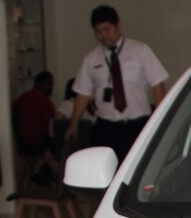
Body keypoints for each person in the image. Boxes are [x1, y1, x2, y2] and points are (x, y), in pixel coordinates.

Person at [65, 5, 168, 162]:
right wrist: (74, 124)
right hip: (106, 126)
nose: (103, 35)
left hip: (137, 126)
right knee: (104, 174)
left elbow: (158, 85)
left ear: (118, 25)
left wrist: (160, 118)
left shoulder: (140, 51)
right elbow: (82, 93)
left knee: (137, 171)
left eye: (107, 29)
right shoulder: (91, 59)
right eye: (98, 31)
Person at [12, 70, 60, 184]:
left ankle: (32, 182)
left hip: (23, 142)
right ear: (40, 84)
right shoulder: (41, 99)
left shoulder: (24, 97)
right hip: (37, 142)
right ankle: (61, 185)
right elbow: (53, 117)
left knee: (31, 164)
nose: (51, 88)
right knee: (61, 149)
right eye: (49, 85)